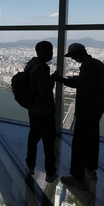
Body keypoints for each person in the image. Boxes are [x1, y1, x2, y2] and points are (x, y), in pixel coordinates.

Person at [51, 43, 104, 190]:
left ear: (79, 53)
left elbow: (86, 87)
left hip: (87, 110)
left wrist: (61, 80)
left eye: (73, 56)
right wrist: (77, 79)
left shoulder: (87, 66)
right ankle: (90, 169)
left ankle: (78, 177)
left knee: (79, 143)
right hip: (97, 109)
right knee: (92, 139)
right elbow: (92, 84)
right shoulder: (97, 63)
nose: (73, 59)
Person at [25, 41, 58, 183]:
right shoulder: (41, 67)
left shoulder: (31, 64)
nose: (51, 54)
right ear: (41, 51)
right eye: (49, 51)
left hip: (33, 108)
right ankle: (50, 172)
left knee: (33, 136)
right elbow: (44, 90)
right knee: (49, 140)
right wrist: (53, 80)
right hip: (44, 110)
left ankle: (30, 165)